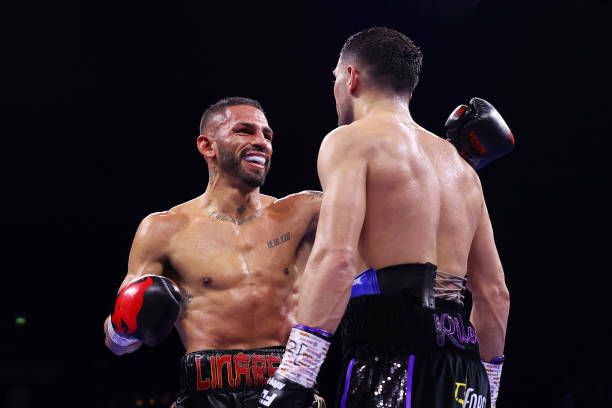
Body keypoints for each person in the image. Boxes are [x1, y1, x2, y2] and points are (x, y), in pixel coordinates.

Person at [259, 27, 511, 408]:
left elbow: (336, 259)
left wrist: (296, 375)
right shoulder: (463, 171)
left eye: (334, 78)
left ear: (351, 77)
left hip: (391, 358)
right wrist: (486, 392)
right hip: (464, 369)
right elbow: (495, 295)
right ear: (409, 90)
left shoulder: (350, 141)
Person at [103, 97, 327, 408]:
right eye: (244, 131)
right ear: (207, 146)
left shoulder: (305, 213)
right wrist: (125, 327)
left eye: (267, 135)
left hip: (288, 387)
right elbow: (116, 344)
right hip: (206, 394)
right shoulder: (164, 229)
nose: (261, 142)